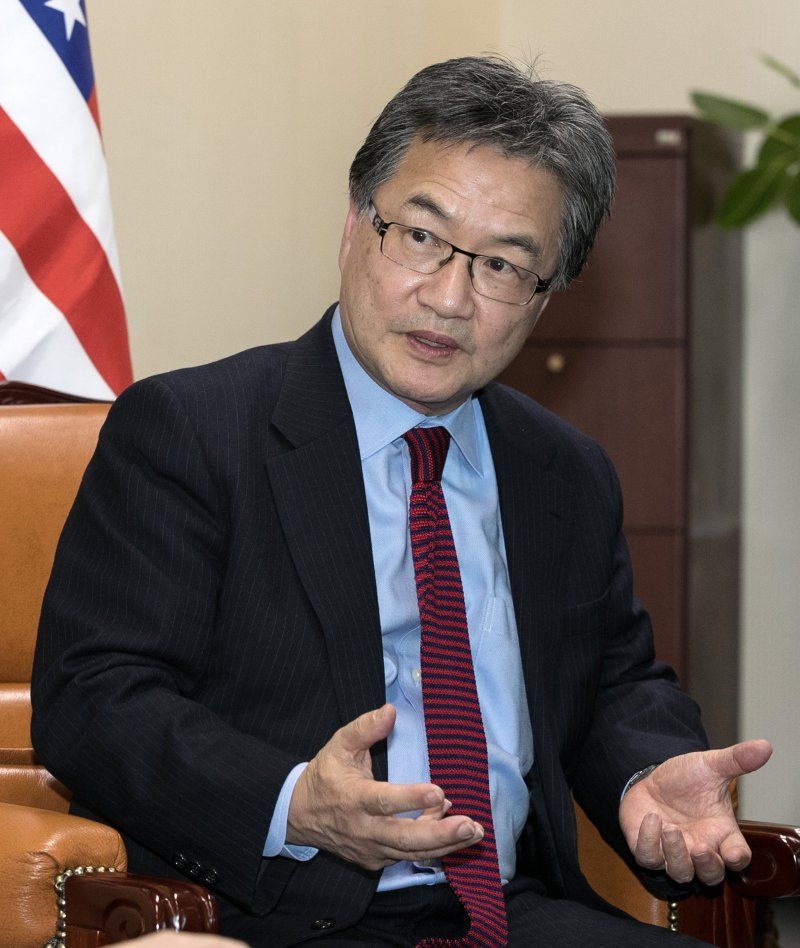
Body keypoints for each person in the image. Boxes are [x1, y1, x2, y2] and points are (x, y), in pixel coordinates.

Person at [31, 57, 771, 947]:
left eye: (503, 265)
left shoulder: (564, 471)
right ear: (354, 226)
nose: (449, 299)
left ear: (543, 301)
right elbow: (94, 700)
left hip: (513, 913)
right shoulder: (194, 431)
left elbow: (613, 681)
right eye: (420, 237)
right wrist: (293, 802)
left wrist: (642, 774)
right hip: (280, 916)